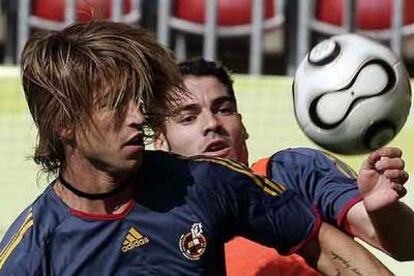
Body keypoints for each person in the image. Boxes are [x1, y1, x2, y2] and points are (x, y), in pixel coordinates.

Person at [0, 21, 393, 275]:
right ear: (64, 124)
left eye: (139, 101)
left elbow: (331, 252)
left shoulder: (204, 181)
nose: (138, 117)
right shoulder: (32, 252)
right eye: (116, 106)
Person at [154, 58, 413, 275]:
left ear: (242, 125)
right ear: (160, 142)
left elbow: (407, 246)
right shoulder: (148, 227)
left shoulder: (291, 171)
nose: (212, 123)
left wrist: (381, 210)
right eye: (188, 118)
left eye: (224, 109)